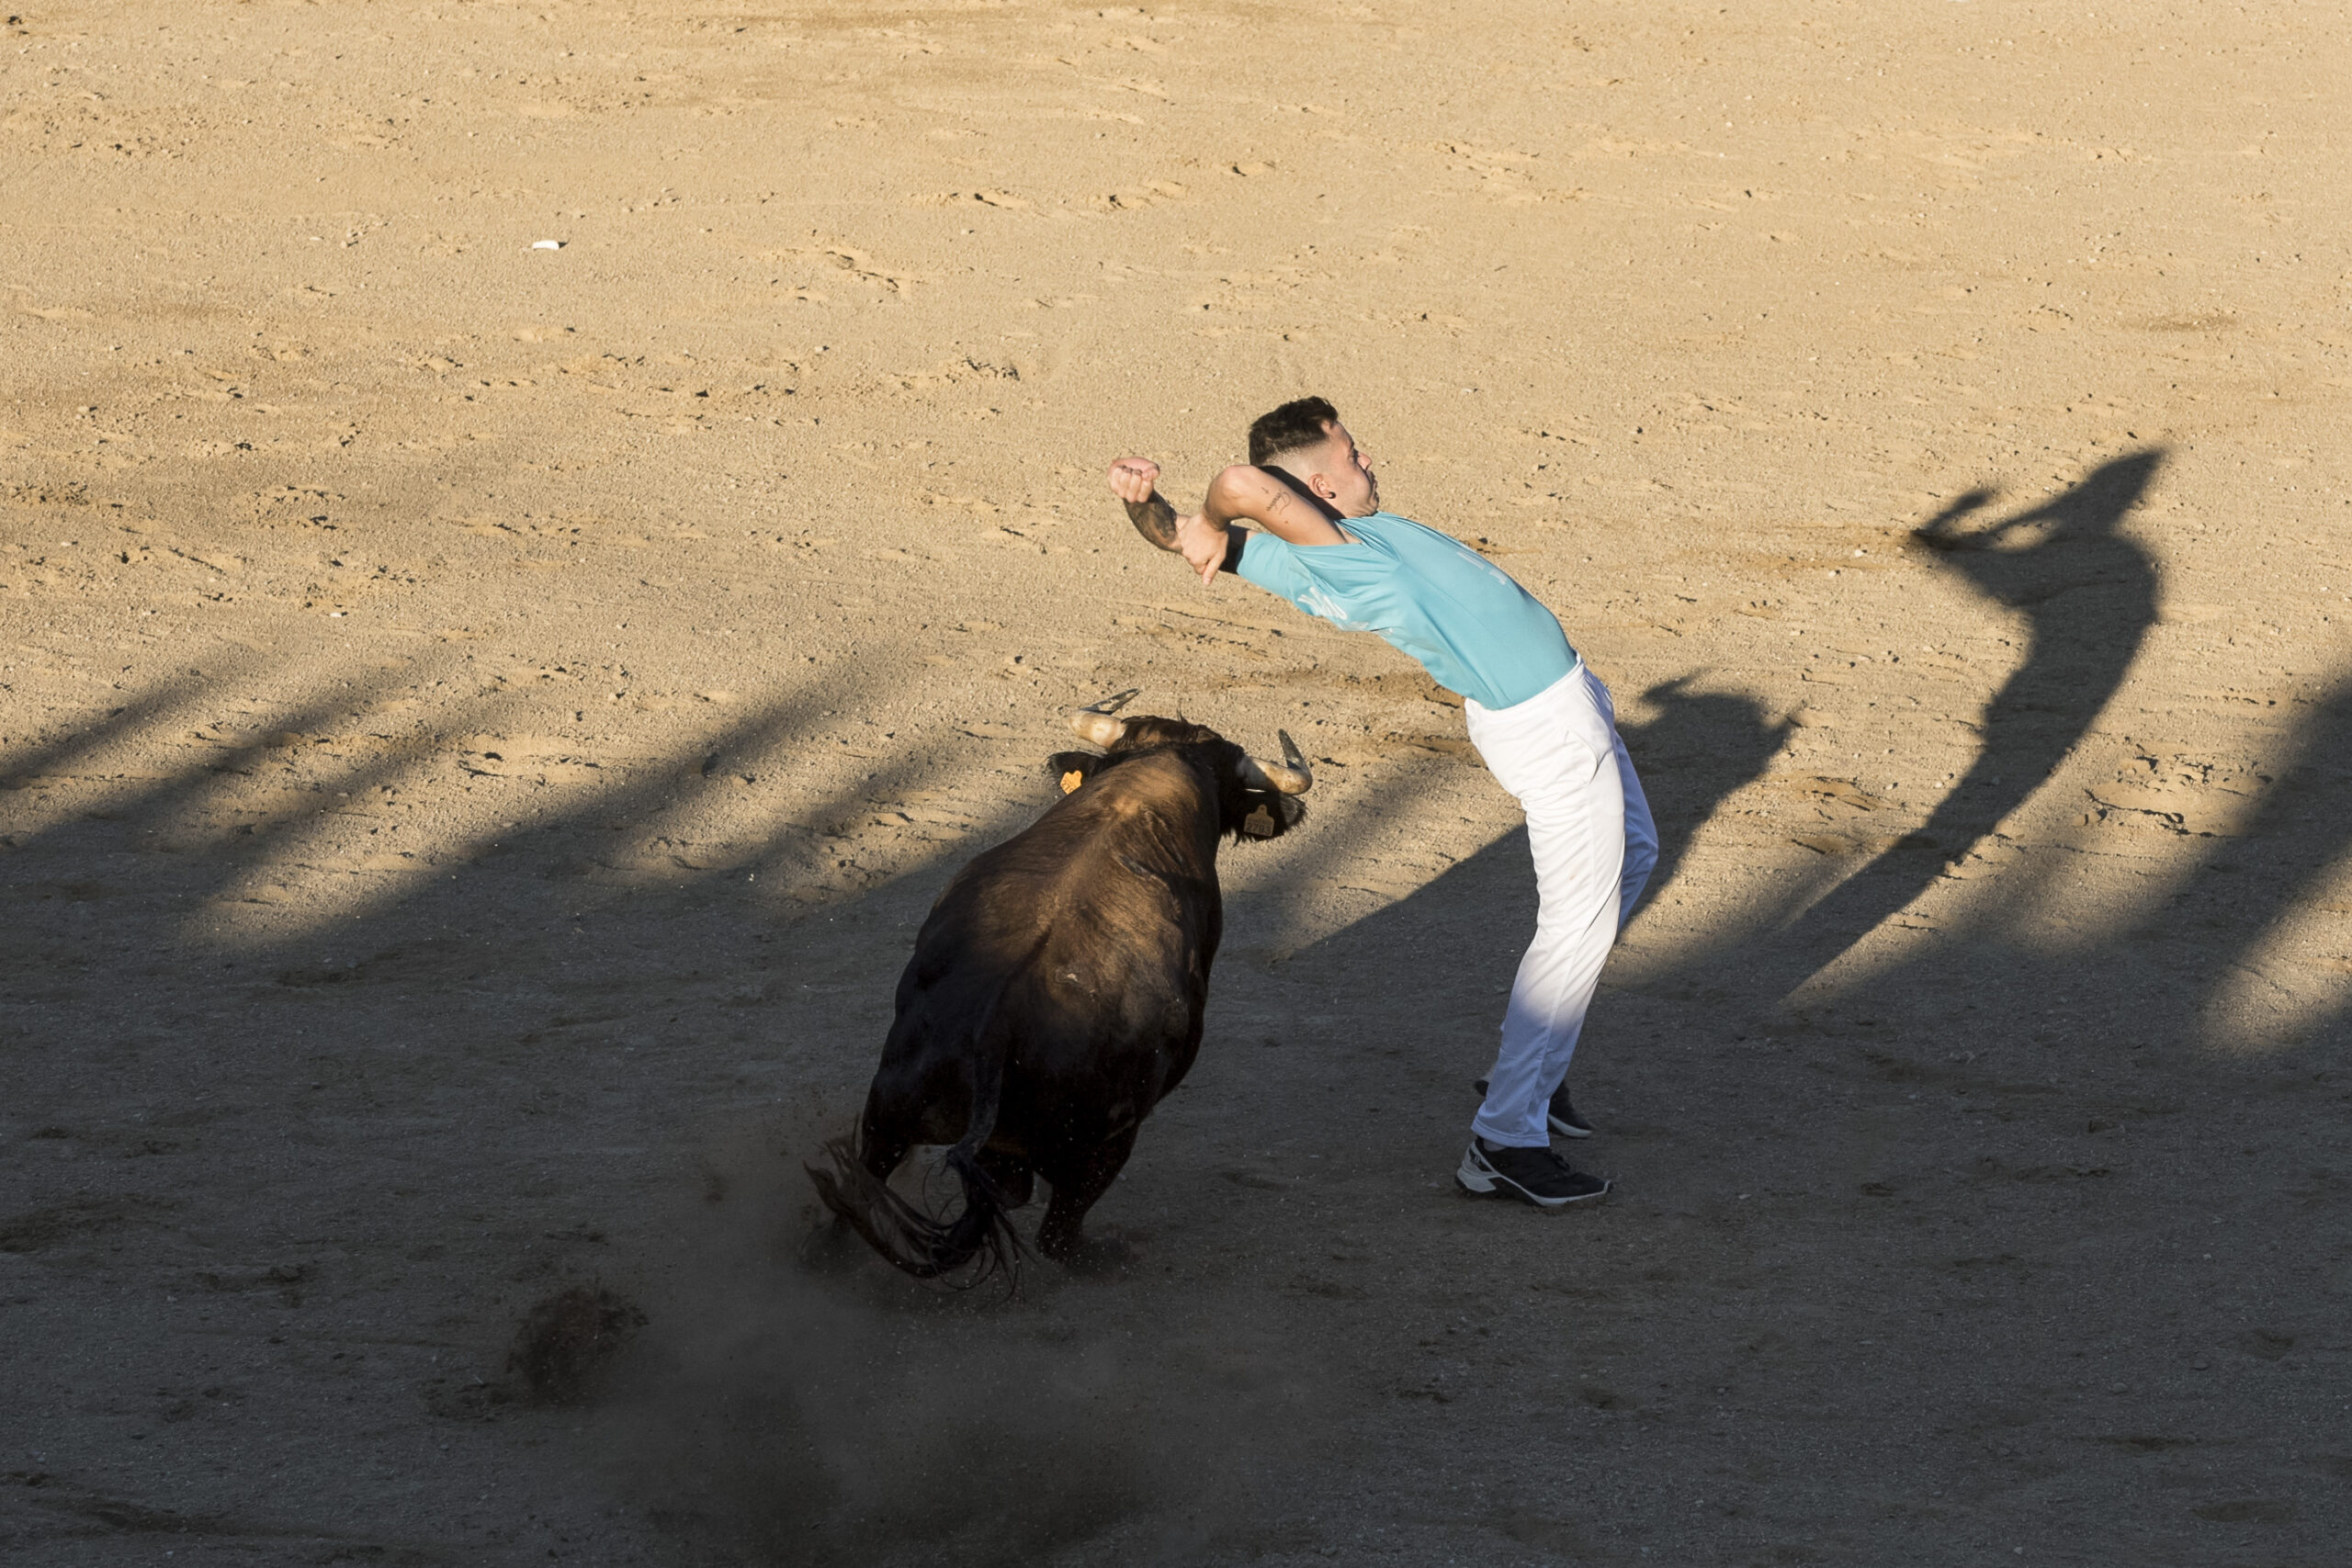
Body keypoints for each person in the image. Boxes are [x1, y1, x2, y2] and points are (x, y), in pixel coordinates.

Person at [1106, 396, 1657, 1207]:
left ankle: (1530, 1077)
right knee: (1574, 930)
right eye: (1354, 456)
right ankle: (1505, 1140)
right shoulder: (1346, 556)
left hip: (1560, 707)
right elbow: (1235, 484)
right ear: (1318, 486)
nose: (1371, 465)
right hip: (1550, 730)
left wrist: (1143, 501)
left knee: (1632, 858)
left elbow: (1183, 537)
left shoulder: (1313, 553)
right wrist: (1227, 498)